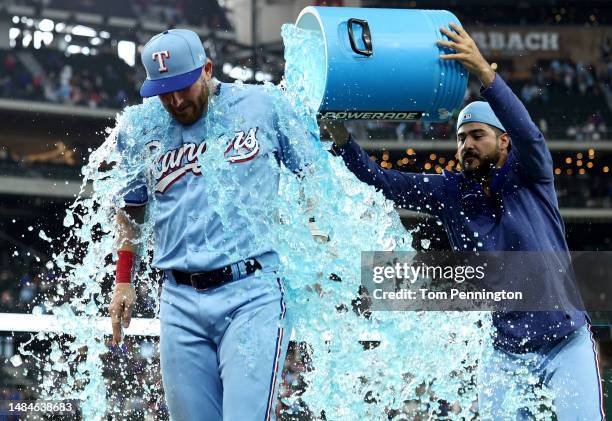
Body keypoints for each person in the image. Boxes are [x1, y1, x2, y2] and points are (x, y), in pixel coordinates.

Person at [325, 23, 604, 420]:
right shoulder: (450, 193)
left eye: (477, 136)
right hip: (505, 355)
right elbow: (379, 180)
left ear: (503, 141)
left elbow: (531, 135)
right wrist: (341, 137)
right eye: (460, 138)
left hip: (565, 343)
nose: (466, 146)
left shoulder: (532, 176)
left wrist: (485, 75)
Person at [107, 29, 319, 421]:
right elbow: (132, 209)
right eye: (162, 90)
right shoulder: (141, 127)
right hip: (178, 299)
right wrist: (124, 279)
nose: (173, 100)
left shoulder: (264, 105)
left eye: (182, 87)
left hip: (252, 292)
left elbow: (314, 178)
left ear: (207, 69)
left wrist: (318, 239)